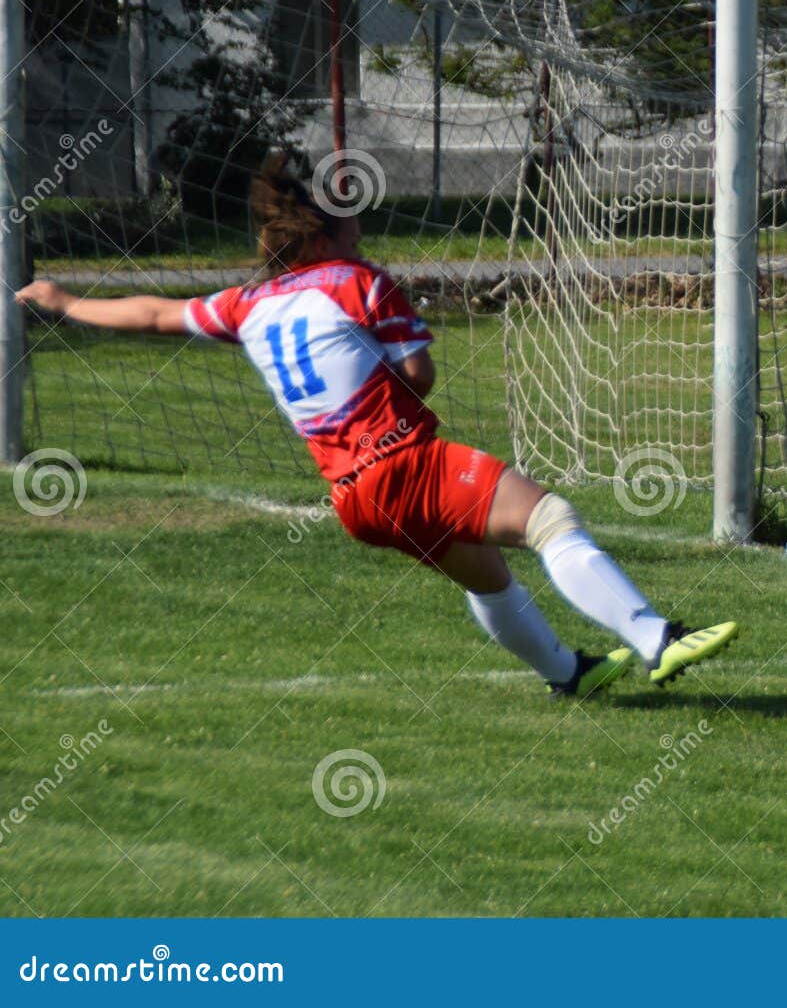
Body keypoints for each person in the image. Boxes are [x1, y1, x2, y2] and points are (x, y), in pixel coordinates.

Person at [14, 153, 738, 699]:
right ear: (329, 228)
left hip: (353, 497)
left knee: (487, 576)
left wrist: (65, 298)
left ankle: (567, 672)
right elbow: (419, 376)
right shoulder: (361, 282)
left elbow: (152, 313)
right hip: (404, 460)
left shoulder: (248, 303)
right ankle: (655, 637)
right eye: (352, 215)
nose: (363, 225)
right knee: (549, 517)